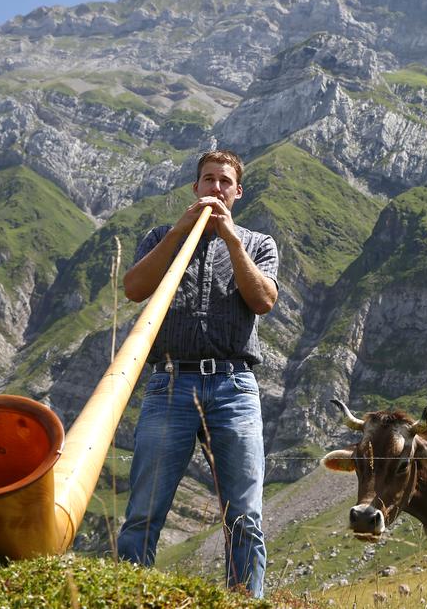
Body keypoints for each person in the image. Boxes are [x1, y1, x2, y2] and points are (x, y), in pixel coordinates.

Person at [116, 148, 278, 597]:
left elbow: (263, 300)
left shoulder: (258, 243)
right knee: (145, 511)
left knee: (244, 514)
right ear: (196, 188)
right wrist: (180, 233)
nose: (216, 189)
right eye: (209, 180)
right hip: (170, 383)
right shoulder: (159, 237)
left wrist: (231, 240)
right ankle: (133, 600)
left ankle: (245, 603)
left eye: (225, 182)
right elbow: (134, 288)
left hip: (233, 386)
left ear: (238, 192)